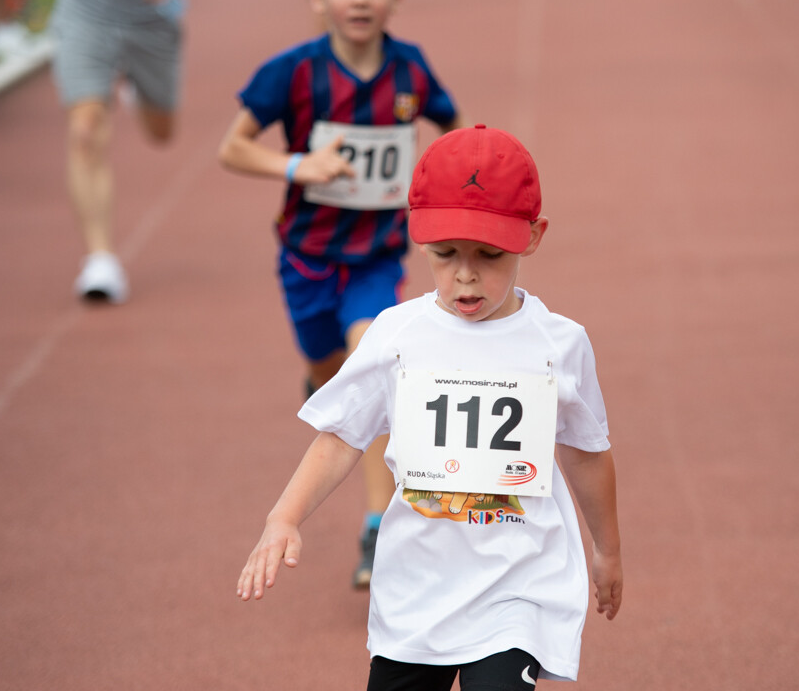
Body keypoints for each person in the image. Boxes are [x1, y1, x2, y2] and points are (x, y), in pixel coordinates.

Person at [236, 124, 623, 688]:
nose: (465, 275)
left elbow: (587, 451)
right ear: (419, 239)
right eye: (445, 254)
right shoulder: (398, 335)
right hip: (416, 588)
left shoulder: (560, 344)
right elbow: (343, 437)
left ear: (532, 236)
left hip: (517, 583)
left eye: (489, 255)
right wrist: (284, 516)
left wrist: (606, 550)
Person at [219, 0, 462, 590]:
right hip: (306, 260)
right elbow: (232, 147)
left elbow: (449, 123)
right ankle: (323, 382)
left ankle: (376, 526)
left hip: (376, 259)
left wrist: (440, 177)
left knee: (375, 367)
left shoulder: (410, 68)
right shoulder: (293, 72)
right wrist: (297, 164)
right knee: (329, 371)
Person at [6, 0, 212, 304]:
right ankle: (101, 259)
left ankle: (138, 87)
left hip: (152, 13)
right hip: (84, 11)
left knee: (161, 132)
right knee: (85, 130)